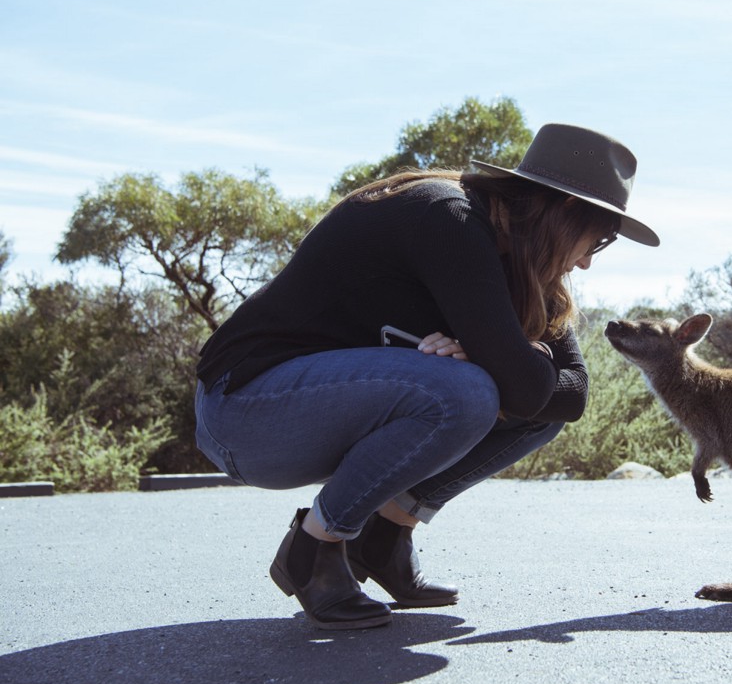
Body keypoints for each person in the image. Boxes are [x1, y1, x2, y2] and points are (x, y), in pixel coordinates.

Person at [193, 123, 659, 629]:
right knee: (466, 392)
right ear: (566, 210)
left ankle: (384, 539)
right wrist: (500, 362)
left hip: (313, 416)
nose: (588, 261)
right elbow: (525, 387)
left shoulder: (522, 262)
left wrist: (512, 355)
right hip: (244, 411)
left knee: (531, 409)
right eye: (600, 238)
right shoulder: (448, 217)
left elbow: (573, 395)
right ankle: (313, 547)